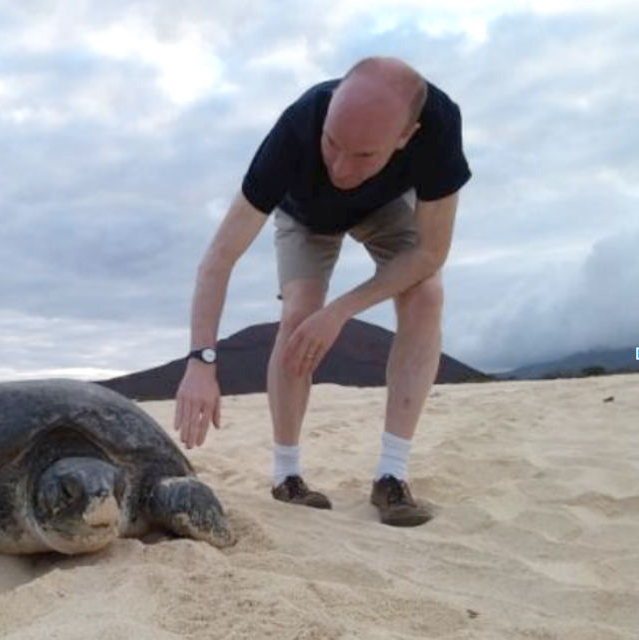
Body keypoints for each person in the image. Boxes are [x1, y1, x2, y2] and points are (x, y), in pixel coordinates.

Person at [173, 56, 471, 527]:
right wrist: (200, 362)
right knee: (298, 314)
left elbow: (430, 253)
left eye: (364, 155)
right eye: (331, 143)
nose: (340, 167)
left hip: (385, 206)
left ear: (406, 136)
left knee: (426, 294)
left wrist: (341, 312)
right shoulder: (297, 127)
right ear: (329, 111)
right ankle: (287, 475)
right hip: (305, 216)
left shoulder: (438, 126)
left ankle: (391, 475)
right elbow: (218, 259)